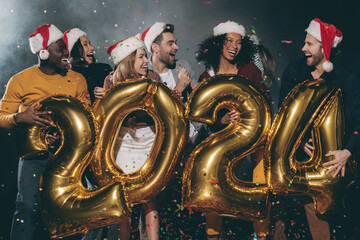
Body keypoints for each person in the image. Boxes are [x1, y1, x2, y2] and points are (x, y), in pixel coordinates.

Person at [0, 24, 90, 240]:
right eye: (60, 48)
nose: (66, 52)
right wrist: (20, 118)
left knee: (69, 209)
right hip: (33, 157)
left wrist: (64, 133)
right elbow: (2, 117)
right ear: (44, 52)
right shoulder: (20, 80)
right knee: (27, 206)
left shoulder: (77, 79)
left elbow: (87, 117)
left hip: (68, 156)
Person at [277, 18, 360, 240]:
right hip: (292, 158)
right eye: (304, 43)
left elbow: (358, 121)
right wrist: (299, 140)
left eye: (309, 44)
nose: (303, 48)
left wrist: (347, 152)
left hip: (330, 165)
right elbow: (283, 113)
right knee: (282, 215)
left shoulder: (345, 79)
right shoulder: (294, 71)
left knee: (320, 217)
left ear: (325, 48)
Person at [195, 20, 272, 240]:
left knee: (261, 184)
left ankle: (262, 235)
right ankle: (213, 235)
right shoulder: (207, 77)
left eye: (238, 42)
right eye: (229, 40)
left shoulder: (250, 70)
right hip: (224, 143)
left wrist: (252, 118)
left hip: (254, 139)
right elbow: (203, 116)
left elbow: (265, 99)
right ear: (219, 43)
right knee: (213, 186)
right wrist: (221, 120)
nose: (234, 46)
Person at [96, 35, 161, 240]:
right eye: (141, 56)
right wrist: (102, 97)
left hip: (149, 139)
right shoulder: (111, 79)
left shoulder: (153, 77)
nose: (146, 61)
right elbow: (104, 118)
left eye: (146, 56)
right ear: (128, 60)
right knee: (122, 197)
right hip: (123, 141)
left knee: (149, 197)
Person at [63, 28, 113, 104]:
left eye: (90, 44)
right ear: (75, 50)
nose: (92, 48)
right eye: (85, 44)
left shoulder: (103, 69)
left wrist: (109, 94)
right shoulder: (66, 75)